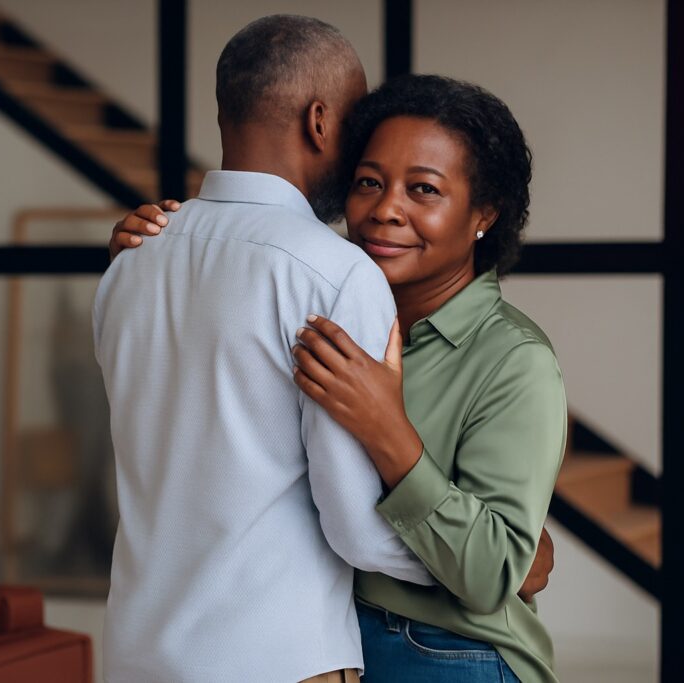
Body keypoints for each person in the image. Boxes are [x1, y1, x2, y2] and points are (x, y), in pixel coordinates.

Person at [111, 74, 566, 682]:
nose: (385, 210)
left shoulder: (514, 359)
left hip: (449, 650)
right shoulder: (325, 307)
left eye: (423, 189)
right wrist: (156, 257)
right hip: (332, 640)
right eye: (369, 182)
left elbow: (495, 574)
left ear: (484, 214)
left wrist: (388, 430)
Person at [93, 15, 433, 683]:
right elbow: (354, 527)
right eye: (356, 123)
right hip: (278, 659)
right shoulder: (336, 273)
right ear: (319, 121)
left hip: (138, 655)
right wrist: (484, 566)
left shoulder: (131, 261)